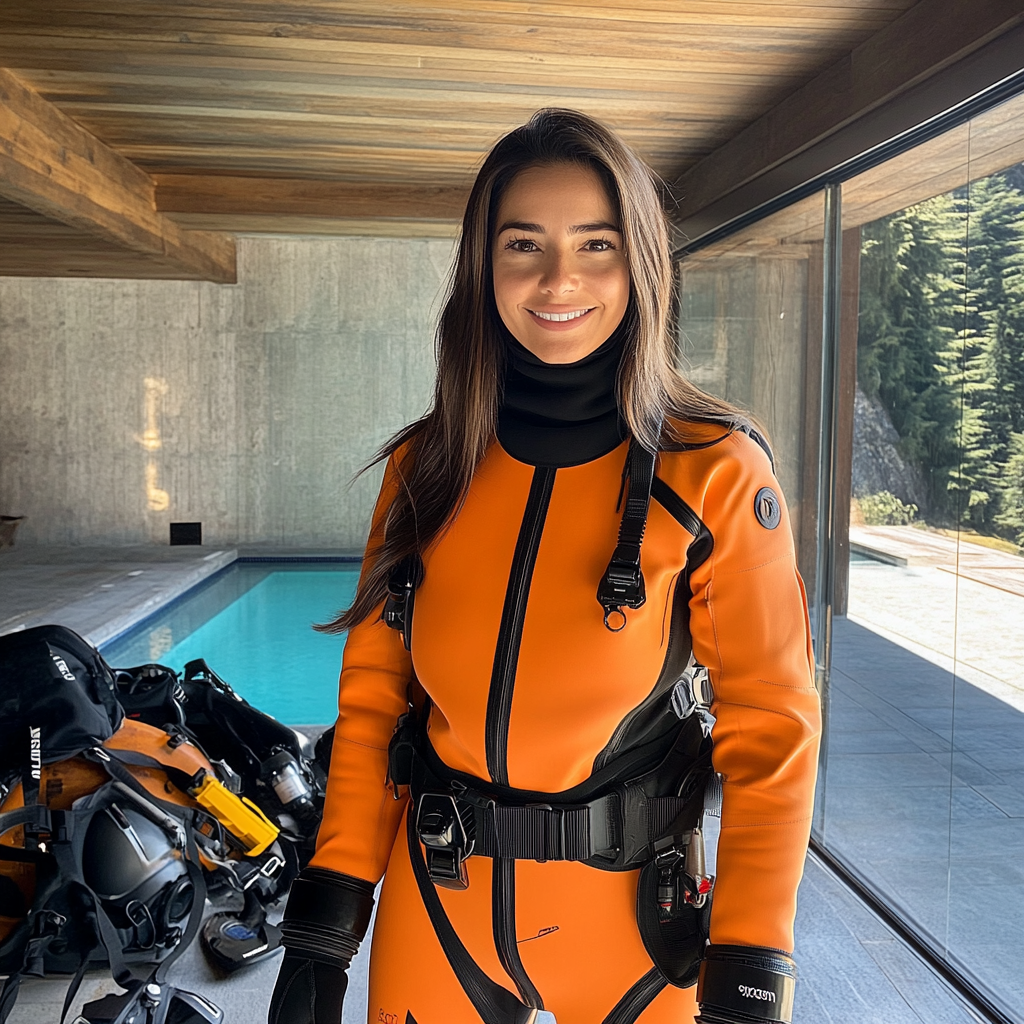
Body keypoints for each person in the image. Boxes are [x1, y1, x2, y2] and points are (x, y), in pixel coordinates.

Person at [268, 109, 821, 1024]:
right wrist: (325, 928)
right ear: (483, 267)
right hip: (439, 910)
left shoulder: (715, 469)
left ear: (640, 263)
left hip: (636, 927)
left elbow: (770, 725)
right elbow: (373, 705)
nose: (558, 278)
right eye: (523, 243)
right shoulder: (426, 467)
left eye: (595, 244)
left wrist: (755, 960)